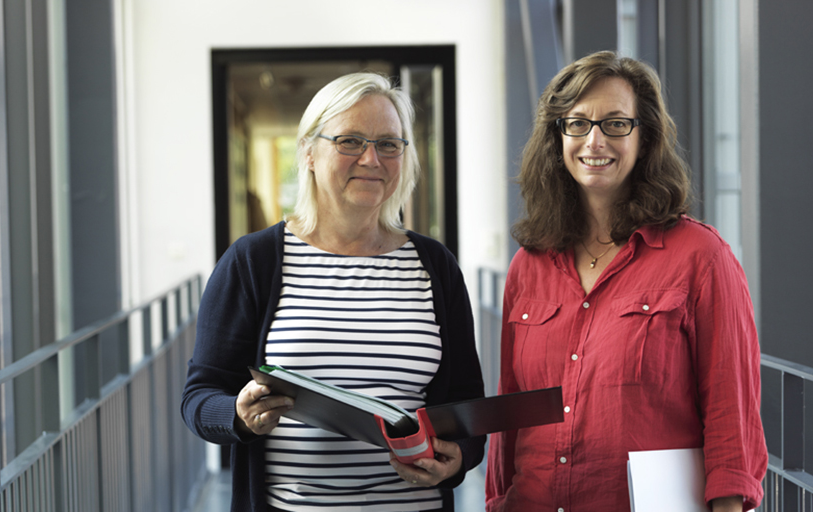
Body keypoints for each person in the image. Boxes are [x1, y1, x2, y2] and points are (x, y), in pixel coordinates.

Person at [182, 72, 486, 512]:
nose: (371, 158)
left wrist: (458, 459)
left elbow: (466, 405)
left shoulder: (434, 266)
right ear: (308, 151)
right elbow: (200, 397)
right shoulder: (254, 262)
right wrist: (238, 415)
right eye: (350, 141)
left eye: (388, 144)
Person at [484, 51, 767, 512]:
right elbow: (511, 410)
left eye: (616, 124)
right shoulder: (527, 266)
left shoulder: (701, 257)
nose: (595, 141)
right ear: (557, 136)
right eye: (577, 123)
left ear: (645, 137)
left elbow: (730, 416)